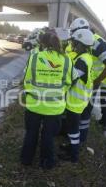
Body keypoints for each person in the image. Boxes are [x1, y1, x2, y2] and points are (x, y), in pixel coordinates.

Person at [21, 29, 73, 169]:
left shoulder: (35, 57)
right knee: (48, 136)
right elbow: (69, 82)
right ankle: (47, 162)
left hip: (34, 104)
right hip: (55, 106)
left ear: (42, 43)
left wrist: (30, 92)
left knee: (31, 133)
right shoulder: (66, 59)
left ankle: (26, 160)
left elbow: (26, 79)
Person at [69, 18, 106, 143]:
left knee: (84, 113)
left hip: (89, 85)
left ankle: (80, 140)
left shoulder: (99, 43)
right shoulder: (79, 41)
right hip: (78, 83)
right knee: (76, 112)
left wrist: (96, 81)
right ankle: (75, 138)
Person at [64, 29, 94, 163]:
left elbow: (71, 79)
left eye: (75, 42)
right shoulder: (86, 57)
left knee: (73, 129)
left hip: (75, 102)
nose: (73, 45)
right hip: (81, 99)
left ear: (81, 44)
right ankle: (71, 147)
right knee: (73, 128)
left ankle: (73, 155)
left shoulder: (82, 61)